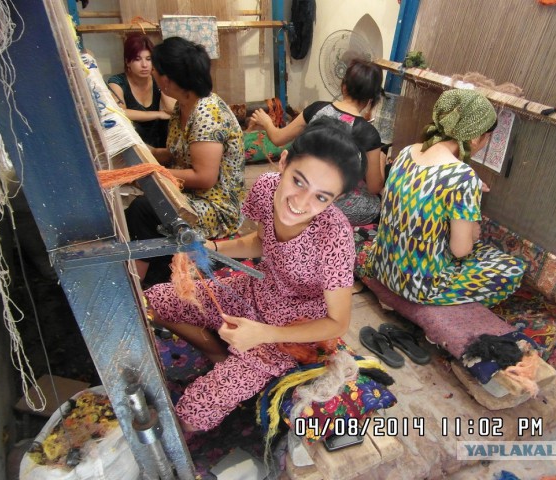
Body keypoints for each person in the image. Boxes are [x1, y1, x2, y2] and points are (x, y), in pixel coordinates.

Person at [144, 118, 365, 432]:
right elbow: (262, 241)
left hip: (291, 327)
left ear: (335, 200)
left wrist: (263, 334)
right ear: (284, 162)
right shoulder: (266, 187)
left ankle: (238, 359)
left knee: (193, 413)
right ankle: (216, 351)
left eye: (321, 197)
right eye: (298, 181)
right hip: (256, 290)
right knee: (157, 300)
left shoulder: (335, 237)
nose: (301, 202)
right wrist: (211, 248)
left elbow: (337, 322)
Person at [367, 89, 525, 307]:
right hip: (419, 286)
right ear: (477, 137)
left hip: (382, 266)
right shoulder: (463, 176)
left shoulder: (407, 152)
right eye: (487, 137)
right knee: (512, 269)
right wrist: (472, 231)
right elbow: (461, 250)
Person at [124, 37, 246, 285]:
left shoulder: (207, 114)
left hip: (216, 207)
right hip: (194, 194)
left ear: (167, 80)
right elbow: (176, 152)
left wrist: (151, 173)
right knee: (141, 207)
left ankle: (137, 281)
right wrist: (141, 155)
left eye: (155, 70)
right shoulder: (183, 106)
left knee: (144, 209)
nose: (152, 73)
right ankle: (152, 269)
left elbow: (205, 177)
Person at [251, 59, 384, 225]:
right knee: (376, 203)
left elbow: (278, 139)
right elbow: (374, 187)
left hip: (302, 190)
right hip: (335, 202)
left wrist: (266, 122)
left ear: (344, 86)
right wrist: (381, 160)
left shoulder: (316, 109)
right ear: (371, 98)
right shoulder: (369, 133)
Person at [107, 33, 175, 148]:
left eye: (149, 59)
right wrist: (158, 114)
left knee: (170, 122)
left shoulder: (157, 78)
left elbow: (172, 109)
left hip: (159, 137)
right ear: (128, 62)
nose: (144, 65)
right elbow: (119, 112)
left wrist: (161, 77)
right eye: (137, 59)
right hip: (134, 140)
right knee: (131, 125)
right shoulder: (117, 82)